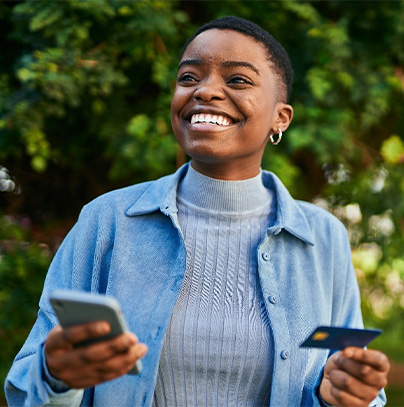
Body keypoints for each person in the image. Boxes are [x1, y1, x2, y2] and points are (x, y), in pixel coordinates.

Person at [5, 16, 389, 407]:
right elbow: (25, 389)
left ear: (280, 117)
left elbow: (352, 380)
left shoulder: (323, 237)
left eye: (237, 80)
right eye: (189, 78)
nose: (205, 91)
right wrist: (56, 376)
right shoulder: (108, 221)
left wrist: (345, 396)